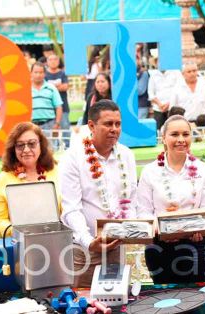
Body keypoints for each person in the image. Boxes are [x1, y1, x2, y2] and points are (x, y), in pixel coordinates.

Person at [59, 100, 138, 287]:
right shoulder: (73, 157)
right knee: (86, 304)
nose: (114, 129)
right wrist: (88, 241)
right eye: (108, 124)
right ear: (91, 126)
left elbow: (131, 199)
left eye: (118, 124)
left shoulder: (126, 155)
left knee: (118, 302)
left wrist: (135, 230)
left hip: (118, 246)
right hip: (85, 250)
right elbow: (71, 208)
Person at [136, 115, 205, 283]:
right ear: (163, 138)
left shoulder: (203, 169)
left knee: (197, 297)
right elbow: (144, 211)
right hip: (160, 246)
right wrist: (162, 232)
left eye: (186, 134)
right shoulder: (150, 171)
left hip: (195, 244)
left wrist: (198, 229)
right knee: (164, 300)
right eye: (174, 134)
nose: (181, 140)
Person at [0, 122, 60, 238]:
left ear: (41, 145)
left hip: (55, 239)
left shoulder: (56, 172)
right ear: (13, 149)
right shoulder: (4, 178)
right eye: (20, 145)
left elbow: (68, 210)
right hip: (19, 245)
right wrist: (17, 231)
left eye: (32, 144)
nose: (26, 150)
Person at [45, 54, 71, 147]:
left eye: (55, 59)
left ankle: (67, 147)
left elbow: (65, 87)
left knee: (65, 128)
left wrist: (51, 87)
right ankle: (55, 147)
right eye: (50, 59)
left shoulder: (62, 73)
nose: (53, 61)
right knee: (53, 129)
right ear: (47, 62)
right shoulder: (44, 74)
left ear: (58, 61)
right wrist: (58, 86)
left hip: (63, 107)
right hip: (49, 109)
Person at [31, 62, 63, 131]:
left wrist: (57, 123)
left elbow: (58, 107)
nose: (38, 75)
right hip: (31, 125)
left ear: (45, 74)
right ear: (31, 73)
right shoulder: (26, 89)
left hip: (49, 124)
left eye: (41, 72)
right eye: (35, 72)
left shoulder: (51, 88)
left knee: (50, 142)